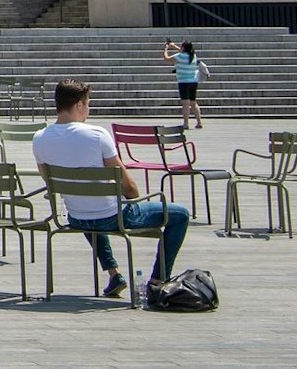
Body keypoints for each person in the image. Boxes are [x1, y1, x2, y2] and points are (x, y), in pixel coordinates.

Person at [33, 79, 191, 296]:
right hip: (110, 216)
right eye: (87, 104)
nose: (88, 109)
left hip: (75, 216)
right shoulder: (97, 135)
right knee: (180, 214)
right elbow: (128, 185)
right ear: (79, 105)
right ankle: (157, 280)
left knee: (90, 208)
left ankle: (114, 273)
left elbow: (48, 182)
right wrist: (133, 200)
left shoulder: (39, 138)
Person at [163, 39, 207, 129]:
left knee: (185, 104)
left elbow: (166, 59)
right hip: (193, 82)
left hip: (183, 82)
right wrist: (174, 46)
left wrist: (166, 49)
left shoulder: (179, 56)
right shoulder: (193, 56)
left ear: (183, 48)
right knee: (193, 103)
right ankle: (199, 122)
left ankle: (186, 123)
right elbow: (184, 51)